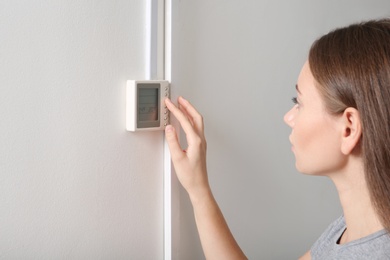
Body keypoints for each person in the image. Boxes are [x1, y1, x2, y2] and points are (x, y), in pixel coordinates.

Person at [164, 18, 390, 259]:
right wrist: (198, 190)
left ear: (349, 128)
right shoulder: (348, 231)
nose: (288, 118)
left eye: (298, 103)